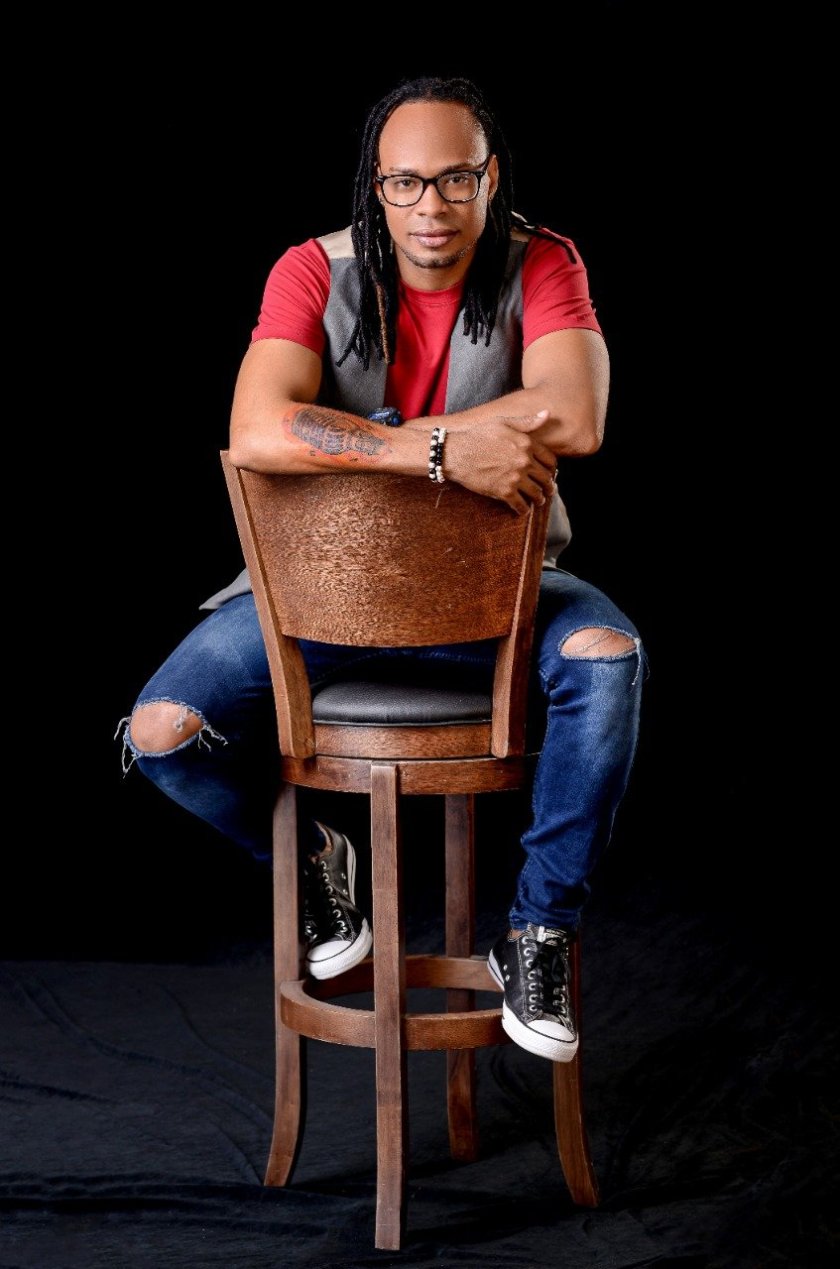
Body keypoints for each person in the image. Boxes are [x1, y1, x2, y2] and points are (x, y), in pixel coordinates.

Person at [116, 75, 645, 1064]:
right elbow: (254, 430)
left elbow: (575, 416)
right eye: (405, 183)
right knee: (161, 733)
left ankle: (539, 930)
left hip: (500, 593)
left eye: (455, 179)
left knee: (608, 657)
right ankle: (316, 858)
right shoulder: (312, 270)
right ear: (376, 185)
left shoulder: (543, 261)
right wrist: (436, 451)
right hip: (321, 598)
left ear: (492, 179)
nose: (430, 206)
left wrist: (348, 442)